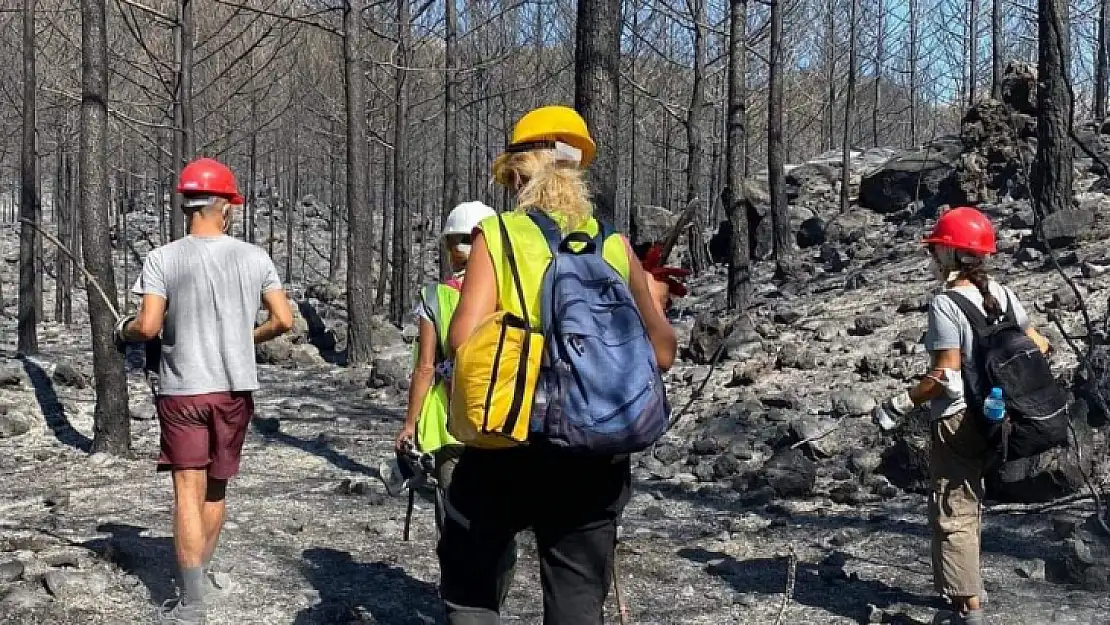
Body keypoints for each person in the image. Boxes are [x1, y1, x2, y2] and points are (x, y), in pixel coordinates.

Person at [437, 105, 676, 625]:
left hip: (507, 439)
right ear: (576, 168)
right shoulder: (612, 243)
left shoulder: (497, 235)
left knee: (472, 581)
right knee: (575, 600)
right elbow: (662, 353)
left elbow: (461, 339)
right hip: (594, 449)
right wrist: (651, 299)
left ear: (519, 172)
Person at [115, 157, 293, 625]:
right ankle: (203, 579)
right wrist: (244, 336)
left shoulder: (163, 258)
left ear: (187, 206)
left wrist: (124, 330)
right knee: (215, 490)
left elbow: (149, 325)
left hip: (183, 391)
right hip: (235, 390)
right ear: (225, 207)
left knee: (186, 493)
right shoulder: (254, 257)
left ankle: (191, 604)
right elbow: (285, 320)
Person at [871, 207, 1050, 625]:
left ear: (951, 254)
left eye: (936, 249)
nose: (932, 256)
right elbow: (1039, 346)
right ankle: (961, 590)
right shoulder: (1003, 294)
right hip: (1000, 417)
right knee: (971, 503)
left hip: (957, 418)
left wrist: (899, 403)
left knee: (953, 509)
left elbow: (943, 375)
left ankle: (968, 609)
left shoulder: (945, 304)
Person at [391, 200, 497, 531]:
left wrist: (410, 424)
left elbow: (425, 367)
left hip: (449, 423)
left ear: (453, 247)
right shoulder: (511, 291)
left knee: (453, 516)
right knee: (497, 521)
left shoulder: (436, 297)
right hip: (503, 418)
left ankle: (455, 582)